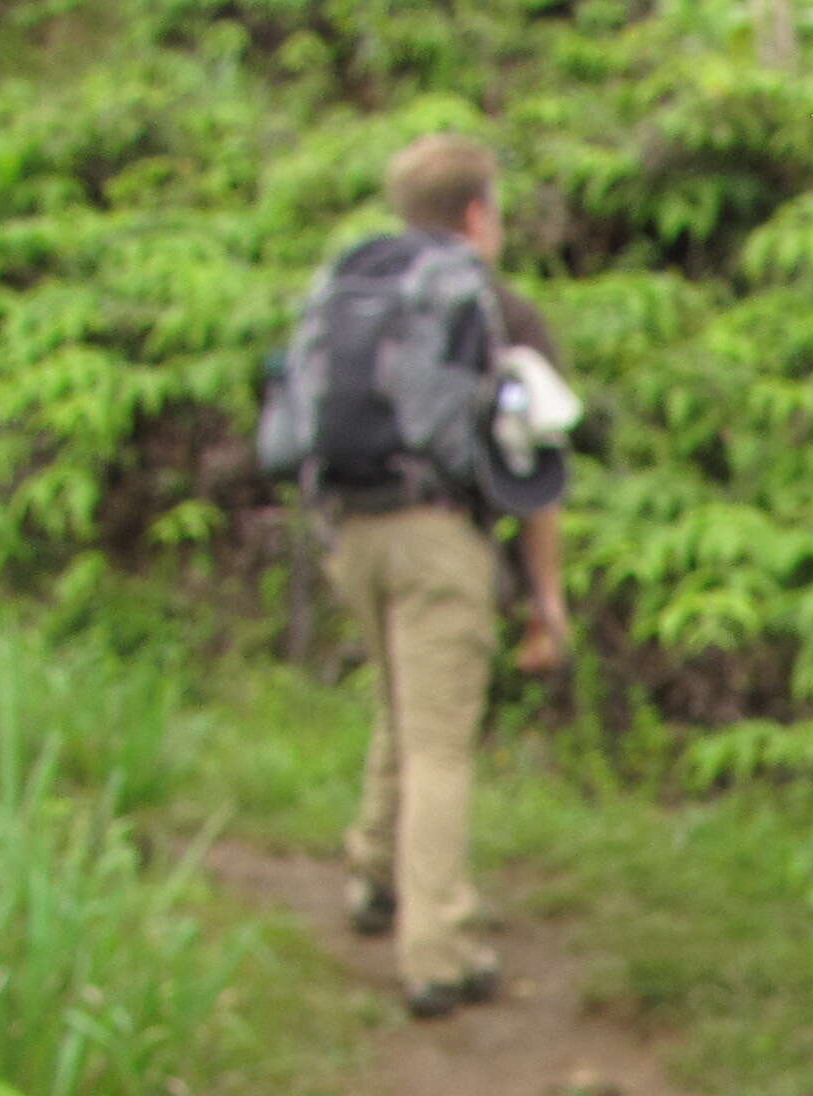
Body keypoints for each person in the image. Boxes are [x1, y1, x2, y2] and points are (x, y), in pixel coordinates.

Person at [294, 133, 575, 1018]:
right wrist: (547, 601)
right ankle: (439, 949)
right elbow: (536, 472)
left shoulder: (359, 286)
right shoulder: (497, 310)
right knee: (440, 744)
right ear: (479, 214)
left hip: (350, 533)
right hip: (439, 540)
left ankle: (374, 875)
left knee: (400, 704)